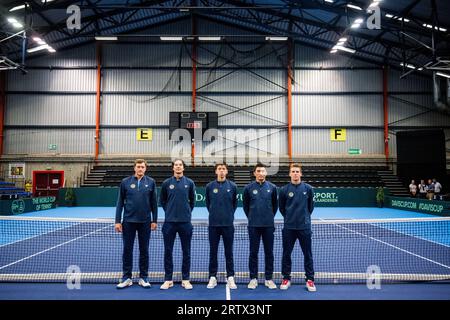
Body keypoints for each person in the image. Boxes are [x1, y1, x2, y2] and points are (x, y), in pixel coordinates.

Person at [115, 159, 158, 289]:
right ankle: (127, 277)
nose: (140, 169)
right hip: (128, 222)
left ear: (145, 169)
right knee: (127, 250)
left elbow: (154, 204)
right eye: (138, 167)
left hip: (145, 222)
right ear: (134, 168)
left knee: (144, 250)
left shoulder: (151, 182)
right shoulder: (125, 182)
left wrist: (154, 220)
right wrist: (117, 221)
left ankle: (143, 277)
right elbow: (120, 203)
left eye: (142, 167)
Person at [278, 163, 316, 292]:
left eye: (297, 171)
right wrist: (290, 218)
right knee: (286, 254)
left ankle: (310, 279)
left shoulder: (308, 188)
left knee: (308, 254)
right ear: (289, 174)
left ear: (301, 174)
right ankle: (286, 278)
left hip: (304, 227)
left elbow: (310, 207)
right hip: (289, 228)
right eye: (293, 171)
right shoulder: (283, 190)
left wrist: (303, 218)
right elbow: (282, 208)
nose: (295, 173)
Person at [159, 159, 196, 290]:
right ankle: (168, 279)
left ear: (183, 168)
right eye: (176, 165)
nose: (178, 167)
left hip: (185, 223)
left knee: (186, 252)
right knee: (168, 251)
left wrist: (185, 213)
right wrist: (170, 212)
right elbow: (162, 201)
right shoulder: (166, 183)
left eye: (180, 165)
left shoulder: (190, 183)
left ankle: (185, 279)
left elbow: (192, 201)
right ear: (173, 168)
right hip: (169, 223)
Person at [243, 163, 278, 290]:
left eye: (263, 171)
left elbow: (275, 206)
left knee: (269, 253)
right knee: (253, 253)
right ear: (255, 173)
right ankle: (253, 279)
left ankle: (269, 279)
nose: (261, 173)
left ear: (266, 173)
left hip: (268, 226)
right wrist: (252, 218)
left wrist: (268, 217)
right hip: (253, 226)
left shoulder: (273, 188)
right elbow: (246, 207)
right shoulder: (248, 188)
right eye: (258, 171)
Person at [205, 163, 238, 289]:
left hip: (228, 225)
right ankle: (212, 277)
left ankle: (230, 277)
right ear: (216, 171)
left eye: (223, 169)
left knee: (229, 252)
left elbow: (234, 204)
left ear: (227, 171)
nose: (222, 171)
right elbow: (208, 203)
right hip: (213, 225)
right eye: (219, 169)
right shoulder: (209, 186)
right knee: (213, 252)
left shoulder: (233, 186)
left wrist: (228, 215)